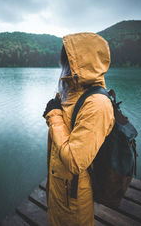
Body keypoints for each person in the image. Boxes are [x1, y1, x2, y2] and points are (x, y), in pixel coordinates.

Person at [43, 32, 115, 226]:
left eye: (67, 61)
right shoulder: (72, 93)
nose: (63, 67)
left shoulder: (97, 104)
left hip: (73, 199)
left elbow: (75, 161)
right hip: (58, 190)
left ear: (79, 64)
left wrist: (55, 116)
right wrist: (57, 109)